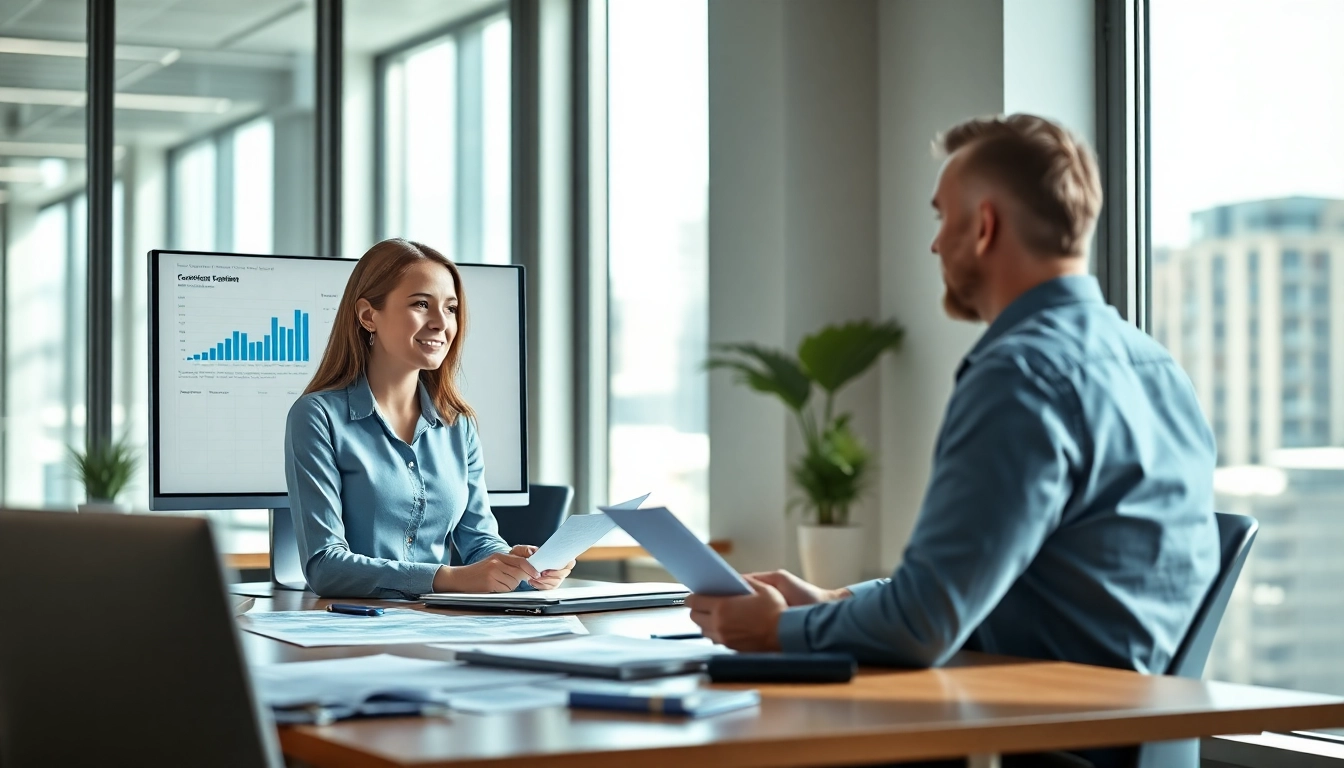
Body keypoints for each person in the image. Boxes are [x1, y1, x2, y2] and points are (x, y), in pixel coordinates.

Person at [686, 115, 1220, 767]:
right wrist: (837, 601)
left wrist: (774, 629)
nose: (936, 245)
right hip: (1103, 734)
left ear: (985, 225)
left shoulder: (1019, 374)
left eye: (942, 217)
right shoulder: (1156, 367)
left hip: (1037, 743)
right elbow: (986, 589)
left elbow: (923, 628)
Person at [285, 238, 574, 598]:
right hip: (356, 629)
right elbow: (325, 565)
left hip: (439, 623)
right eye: (422, 304)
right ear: (367, 315)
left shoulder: (458, 423)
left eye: (451, 308)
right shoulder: (317, 417)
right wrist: (446, 579)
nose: (441, 323)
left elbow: (479, 540)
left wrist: (518, 567)